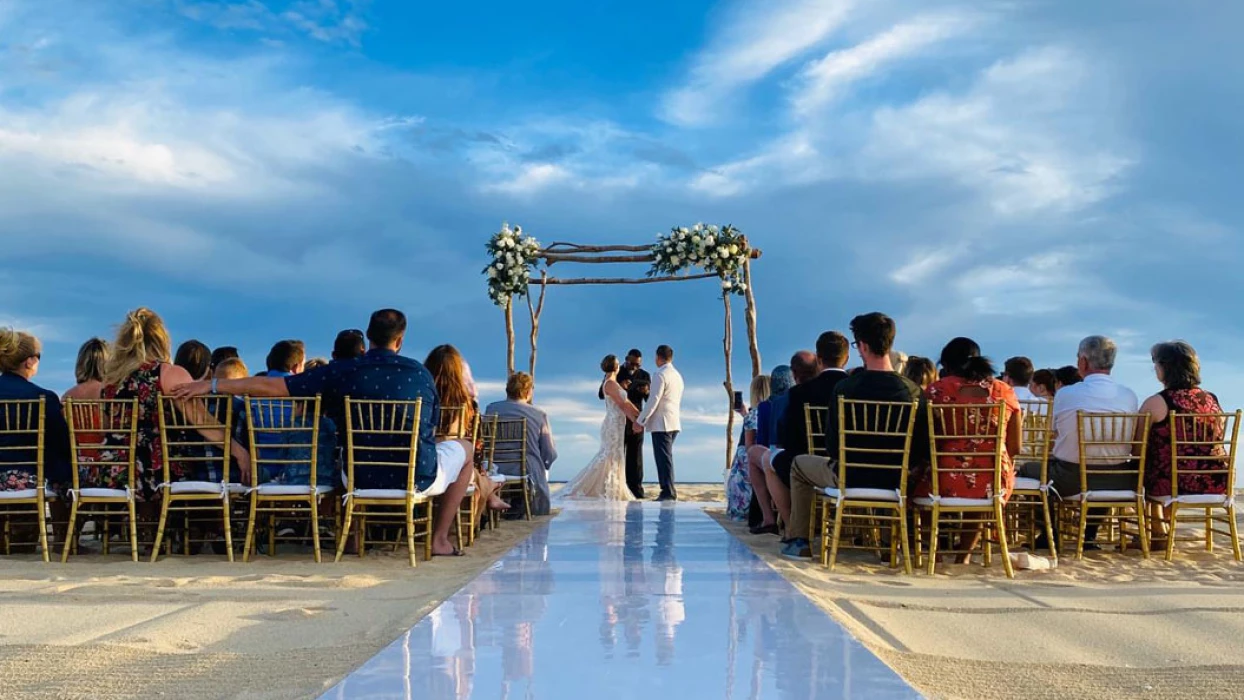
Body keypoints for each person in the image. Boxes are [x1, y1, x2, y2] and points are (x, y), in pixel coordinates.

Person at [171, 309, 474, 558]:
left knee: (345, 451)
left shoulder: (343, 371)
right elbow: (431, 429)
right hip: (415, 477)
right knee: (466, 450)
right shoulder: (419, 374)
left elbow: (275, 387)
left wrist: (211, 385)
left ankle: (355, 538)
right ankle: (439, 539)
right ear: (401, 340)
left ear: (369, 337)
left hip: (358, 477)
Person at [781, 312, 925, 560]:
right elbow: (920, 448)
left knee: (798, 465)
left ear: (864, 346)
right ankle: (890, 545)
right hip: (894, 479)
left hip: (850, 477)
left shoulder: (846, 388)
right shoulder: (913, 391)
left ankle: (799, 541)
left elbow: (834, 447)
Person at [101, 308, 249, 504]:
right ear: (162, 340)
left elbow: (106, 427)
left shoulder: (110, 380)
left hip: (113, 471)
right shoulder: (169, 374)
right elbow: (203, 422)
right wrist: (240, 452)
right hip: (159, 471)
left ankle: (142, 529)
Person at [1018, 336, 1138, 548]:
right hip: (1119, 478)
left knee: (1029, 470)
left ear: (1082, 362)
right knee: (1101, 466)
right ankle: (1088, 535)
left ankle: (1048, 534)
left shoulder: (1067, 394)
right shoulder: (1129, 395)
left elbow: (1054, 432)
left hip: (1070, 478)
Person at [915, 338, 1021, 561]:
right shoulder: (1005, 391)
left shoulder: (936, 391)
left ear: (948, 365)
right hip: (992, 479)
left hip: (943, 476)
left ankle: (936, 553)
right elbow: (1015, 446)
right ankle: (963, 555)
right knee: (983, 481)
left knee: (918, 485)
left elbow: (925, 440)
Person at [1140, 341, 1226, 541]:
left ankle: (1158, 532)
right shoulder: (1212, 399)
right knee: (1167, 465)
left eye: (1156, 364)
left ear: (1166, 367)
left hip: (1173, 484)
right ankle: (1161, 530)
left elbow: (1137, 444)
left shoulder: (1157, 402)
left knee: (1144, 465)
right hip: (1215, 481)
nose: (1155, 368)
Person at [0, 328, 72, 536]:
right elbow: (63, 443)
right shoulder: (43, 397)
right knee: (64, 465)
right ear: (29, 361)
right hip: (30, 479)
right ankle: (63, 535)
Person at [770, 333, 850, 511]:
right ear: (847, 358)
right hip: (854, 466)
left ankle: (793, 528)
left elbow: (788, 439)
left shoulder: (800, 392)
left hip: (815, 466)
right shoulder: (855, 389)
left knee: (777, 460)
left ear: (819, 359)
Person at [425, 344, 508, 514]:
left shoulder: (422, 400)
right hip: (454, 469)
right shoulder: (467, 406)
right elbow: (476, 448)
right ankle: (489, 488)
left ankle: (490, 490)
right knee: (474, 471)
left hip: (422, 463)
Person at [559, 355, 641, 500]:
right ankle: (600, 487)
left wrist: (639, 415)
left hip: (618, 423)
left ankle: (613, 485)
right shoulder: (610, 384)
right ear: (615, 367)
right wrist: (635, 420)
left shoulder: (613, 383)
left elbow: (627, 402)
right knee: (609, 455)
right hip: (613, 424)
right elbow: (622, 405)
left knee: (615, 455)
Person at [484, 372, 558, 516]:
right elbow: (549, 452)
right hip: (525, 468)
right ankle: (524, 503)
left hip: (494, 467)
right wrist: (546, 464)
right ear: (529, 391)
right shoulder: (538, 414)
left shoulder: (491, 409)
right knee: (536, 464)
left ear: (507, 389)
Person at [634, 345, 684, 501]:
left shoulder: (660, 375)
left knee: (663, 458)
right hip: (673, 421)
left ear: (658, 357)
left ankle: (668, 491)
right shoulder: (677, 375)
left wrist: (640, 421)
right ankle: (668, 489)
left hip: (662, 423)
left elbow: (653, 400)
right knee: (666, 457)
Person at [748, 366, 792, 534]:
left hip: (780, 459)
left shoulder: (768, 406)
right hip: (810, 459)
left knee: (755, 454)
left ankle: (769, 518)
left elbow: (762, 441)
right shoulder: (798, 398)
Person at [727, 374, 769, 520]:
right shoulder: (772, 411)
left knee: (741, 456)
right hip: (768, 454)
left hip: (751, 460)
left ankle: (740, 511)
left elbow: (748, 445)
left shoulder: (753, 415)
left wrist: (747, 415)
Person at [618, 349, 651, 499]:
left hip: (637, 420)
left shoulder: (644, 375)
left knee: (636, 457)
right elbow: (601, 393)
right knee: (618, 455)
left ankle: (636, 489)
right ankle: (618, 486)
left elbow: (649, 400)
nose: (634, 367)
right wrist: (620, 386)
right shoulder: (617, 372)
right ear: (626, 359)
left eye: (637, 364)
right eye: (632, 364)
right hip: (619, 421)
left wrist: (646, 392)